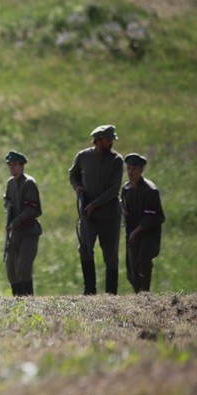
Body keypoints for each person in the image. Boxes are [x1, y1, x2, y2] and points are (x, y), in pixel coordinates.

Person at [69, 125, 123, 295]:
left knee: (110, 254)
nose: (111, 143)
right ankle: (89, 290)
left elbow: (114, 189)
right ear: (98, 140)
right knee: (85, 248)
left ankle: (111, 293)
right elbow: (73, 174)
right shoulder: (83, 156)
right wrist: (77, 187)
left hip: (109, 215)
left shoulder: (116, 160)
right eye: (108, 140)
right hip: (88, 214)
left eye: (112, 140)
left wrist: (94, 204)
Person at [121, 153, 165, 293]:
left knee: (143, 262)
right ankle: (139, 294)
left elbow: (150, 217)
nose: (131, 172)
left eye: (134, 169)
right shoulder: (126, 189)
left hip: (148, 233)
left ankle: (145, 294)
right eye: (128, 168)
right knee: (131, 271)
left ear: (141, 170)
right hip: (132, 232)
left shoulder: (150, 190)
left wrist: (136, 231)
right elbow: (124, 207)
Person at [3, 151, 42, 296]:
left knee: (24, 267)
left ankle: (28, 299)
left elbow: (31, 209)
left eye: (15, 165)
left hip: (29, 231)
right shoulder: (11, 183)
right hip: (16, 231)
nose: (12, 168)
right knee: (11, 268)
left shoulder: (29, 183)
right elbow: (6, 198)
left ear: (21, 166)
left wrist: (15, 221)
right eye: (10, 165)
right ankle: (17, 299)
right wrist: (8, 204)